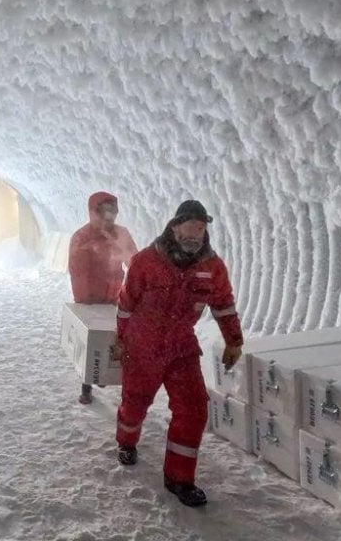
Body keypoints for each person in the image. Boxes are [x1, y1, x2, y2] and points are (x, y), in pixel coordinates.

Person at [112, 199, 244, 507]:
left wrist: (234, 340)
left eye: (201, 228)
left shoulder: (212, 267)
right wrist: (121, 339)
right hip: (142, 345)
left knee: (194, 408)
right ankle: (126, 441)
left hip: (181, 347)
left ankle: (179, 479)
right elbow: (126, 302)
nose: (195, 234)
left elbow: (223, 304)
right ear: (174, 227)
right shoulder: (146, 260)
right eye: (190, 226)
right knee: (135, 402)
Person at [68, 191, 138, 404]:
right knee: (90, 342)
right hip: (90, 300)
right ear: (94, 212)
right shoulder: (82, 237)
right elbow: (78, 271)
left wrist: (136, 288)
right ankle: (87, 386)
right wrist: (85, 300)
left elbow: (134, 262)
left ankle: (103, 374)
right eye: (105, 211)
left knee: (114, 338)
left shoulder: (121, 234)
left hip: (114, 297)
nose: (110, 216)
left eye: (112, 210)